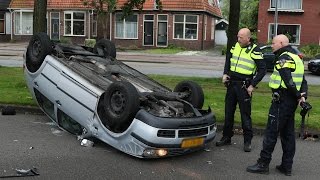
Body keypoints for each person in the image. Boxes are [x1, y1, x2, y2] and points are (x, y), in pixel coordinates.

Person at [246, 34, 308, 176]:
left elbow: (287, 80)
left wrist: (298, 96)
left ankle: (263, 164)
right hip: (291, 101)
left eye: (273, 43)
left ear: (281, 43)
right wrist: (302, 96)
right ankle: (287, 166)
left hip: (282, 101)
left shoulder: (284, 57)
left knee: (271, 133)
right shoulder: (297, 57)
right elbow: (303, 80)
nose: (272, 45)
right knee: (288, 135)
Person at [216, 28, 266, 152]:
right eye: (238, 37)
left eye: (241, 38)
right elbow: (228, 60)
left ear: (248, 38)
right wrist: (225, 73)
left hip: (244, 86)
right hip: (231, 84)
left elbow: (262, 70)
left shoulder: (255, 50)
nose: (238, 40)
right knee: (228, 112)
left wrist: (252, 85)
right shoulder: (235, 46)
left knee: (245, 115)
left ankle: (247, 141)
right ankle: (226, 137)